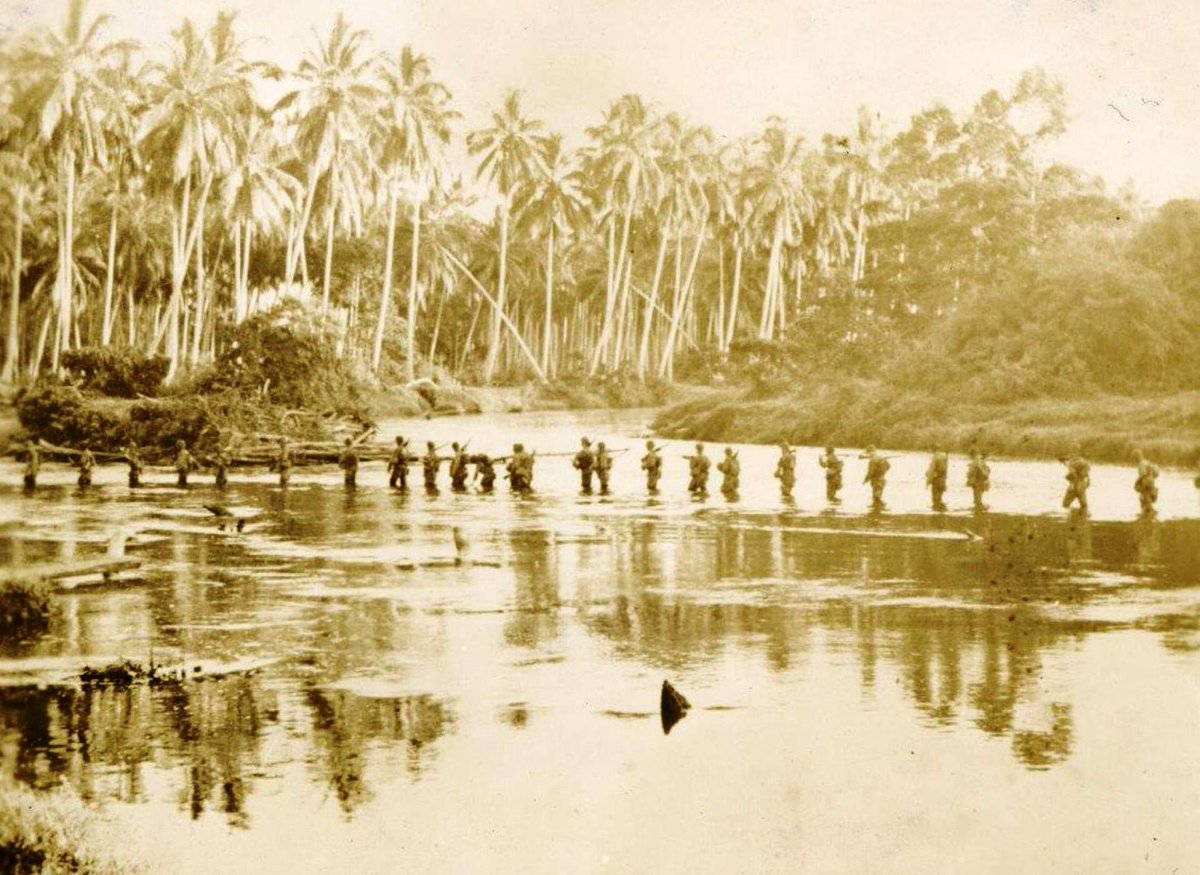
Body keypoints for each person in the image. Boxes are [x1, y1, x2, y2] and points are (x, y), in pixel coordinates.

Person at [1061, 445, 1091, 512]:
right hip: (1083, 484)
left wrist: (1067, 478)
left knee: (1065, 504)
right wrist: (1088, 483)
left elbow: (1072, 474)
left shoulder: (1072, 462)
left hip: (1074, 485)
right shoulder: (1084, 461)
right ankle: (1082, 518)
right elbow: (1087, 473)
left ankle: (1072, 519)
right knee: (1084, 505)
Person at [1133, 449, 1159, 514]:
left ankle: (1148, 515)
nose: (1134, 460)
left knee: (1145, 500)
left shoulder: (1141, 463)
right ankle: (1150, 515)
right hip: (1151, 482)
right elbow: (1155, 473)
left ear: (1137, 456)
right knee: (1147, 499)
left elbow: (1143, 474)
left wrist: (1136, 483)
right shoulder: (1146, 462)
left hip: (1146, 483)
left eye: (1134, 457)